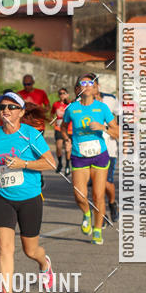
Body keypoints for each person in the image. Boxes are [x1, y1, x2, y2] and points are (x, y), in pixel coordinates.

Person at [0, 92, 55, 293]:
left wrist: (25, 163)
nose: (6, 110)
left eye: (12, 107)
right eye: (2, 106)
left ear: (21, 112)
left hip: (30, 198)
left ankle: (44, 263)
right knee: (4, 248)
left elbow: (51, 163)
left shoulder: (30, 134)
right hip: (3, 197)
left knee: (30, 250)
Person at [60, 74, 119, 246]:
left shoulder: (102, 108)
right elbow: (64, 127)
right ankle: (86, 212)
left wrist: (104, 127)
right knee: (79, 195)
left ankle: (98, 230)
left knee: (98, 196)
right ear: (78, 88)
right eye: (82, 83)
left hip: (100, 156)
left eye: (90, 83)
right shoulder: (72, 109)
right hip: (79, 156)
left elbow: (117, 133)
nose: (86, 86)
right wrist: (66, 139)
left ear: (95, 88)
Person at [98, 89, 120, 224]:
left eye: (91, 85)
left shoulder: (110, 99)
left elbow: (121, 117)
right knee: (96, 185)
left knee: (106, 183)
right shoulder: (78, 103)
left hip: (110, 149)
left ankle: (112, 203)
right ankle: (102, 214)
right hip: (90, 151)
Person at [50, 88, 72, 174]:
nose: (62, 95)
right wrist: (52, 122)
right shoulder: (56, 104)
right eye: (60, 93)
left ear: (67, 94)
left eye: (64, 93)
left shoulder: (70, 104)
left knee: (67, 147)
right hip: (59, 128)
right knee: (58, 146)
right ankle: (60, 163)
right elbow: (51, 114)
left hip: (69, 129)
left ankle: (67, 165)